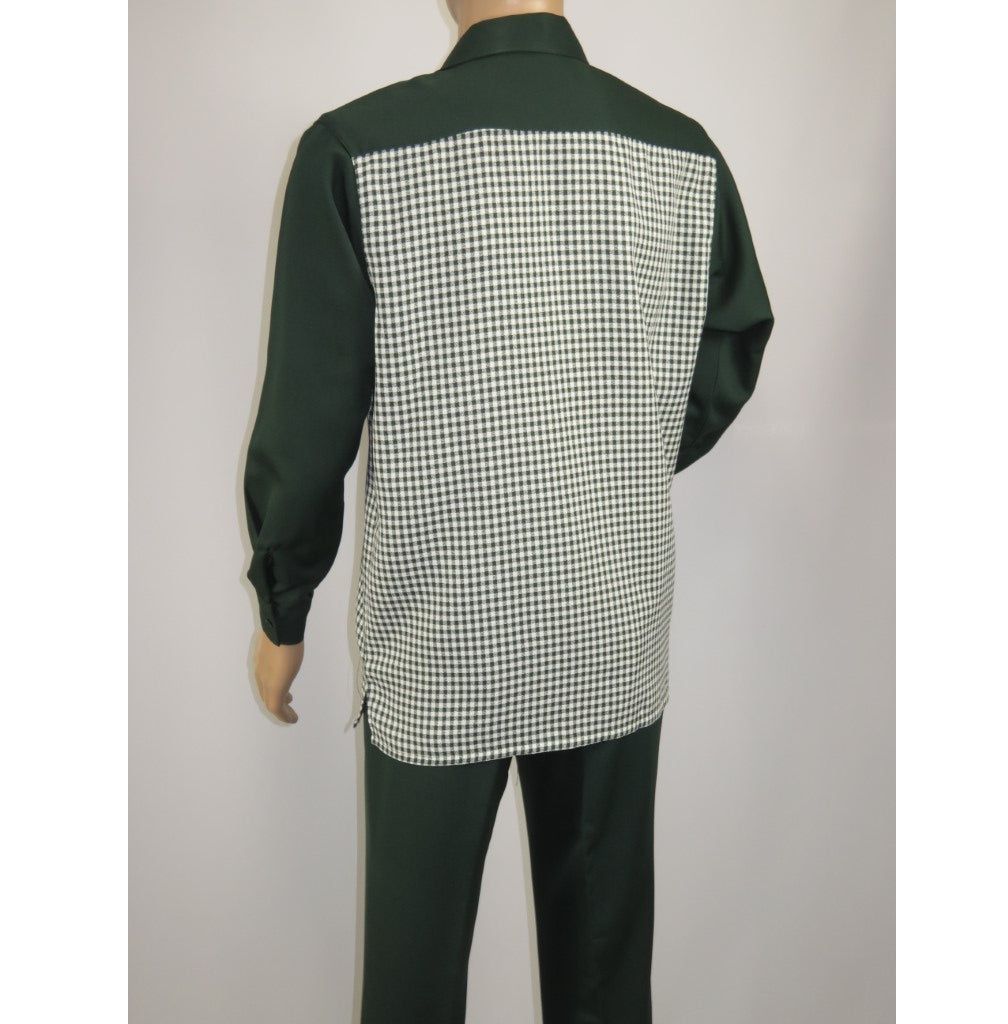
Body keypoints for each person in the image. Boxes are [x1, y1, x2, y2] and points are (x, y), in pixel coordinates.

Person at [243, 1, 773, 1020]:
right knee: (602, 977)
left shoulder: (358, 148)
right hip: (611, 621)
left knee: (411, 978)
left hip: (439, 633)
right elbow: (730, 348)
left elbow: (310, 417)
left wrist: (282, 607)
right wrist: (614, 458)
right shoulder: (682, 153)